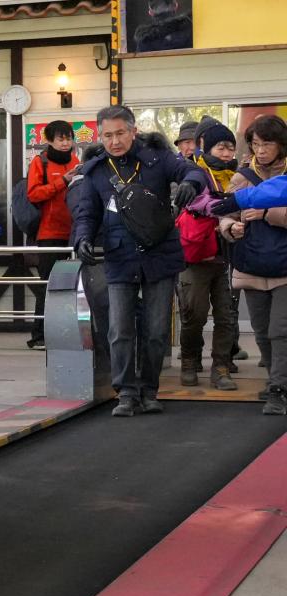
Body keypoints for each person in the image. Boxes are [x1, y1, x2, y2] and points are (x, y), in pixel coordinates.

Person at [73, 104, 205, 417]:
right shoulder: (95, 170)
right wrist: (82, 239)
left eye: (120, 133)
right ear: (100, 136)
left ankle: (149, 390)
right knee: (119, 329)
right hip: (119, 256)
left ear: (133, 130)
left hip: (160, 253)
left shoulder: (158, 159)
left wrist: (191, 184)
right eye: (107, 135)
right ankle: (126, 393)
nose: (114, 141)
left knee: (157, 330)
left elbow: (193, 170)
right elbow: (86, 212)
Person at [214, 114, 287, 415]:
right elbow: (224, 217)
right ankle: (275, 381)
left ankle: (279, 389)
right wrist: (231, 228)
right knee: (260, 330)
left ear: (281, 145)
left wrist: (268, 213)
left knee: (280, 330)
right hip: (252, 264)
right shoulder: (242, 175)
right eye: (256, 144)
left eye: (267, 143)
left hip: (285, 268)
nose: (261, 150)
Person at [176, 120, 240, 390]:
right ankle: (190, 361)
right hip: (196, 256)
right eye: (221, 147)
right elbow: (196, 202)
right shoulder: (192, 173)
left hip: (226, 257)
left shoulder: (238, 175)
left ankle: (221, 367)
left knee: (226, 317)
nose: (226, 153)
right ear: (205, 146)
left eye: (230, 148)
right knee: (195, 315)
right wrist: (231, 204)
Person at [25, 120, 82, 349]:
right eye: (61, 138)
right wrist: (63, 181)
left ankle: (68, 333)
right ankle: (38, 335)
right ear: (49, 140)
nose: (66, 142)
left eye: (68, 138)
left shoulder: (76, 161)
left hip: (75, 232)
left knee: (73, 286)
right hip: (49, 233)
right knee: (48, 285)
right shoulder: (40, 162)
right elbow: (34, 195)